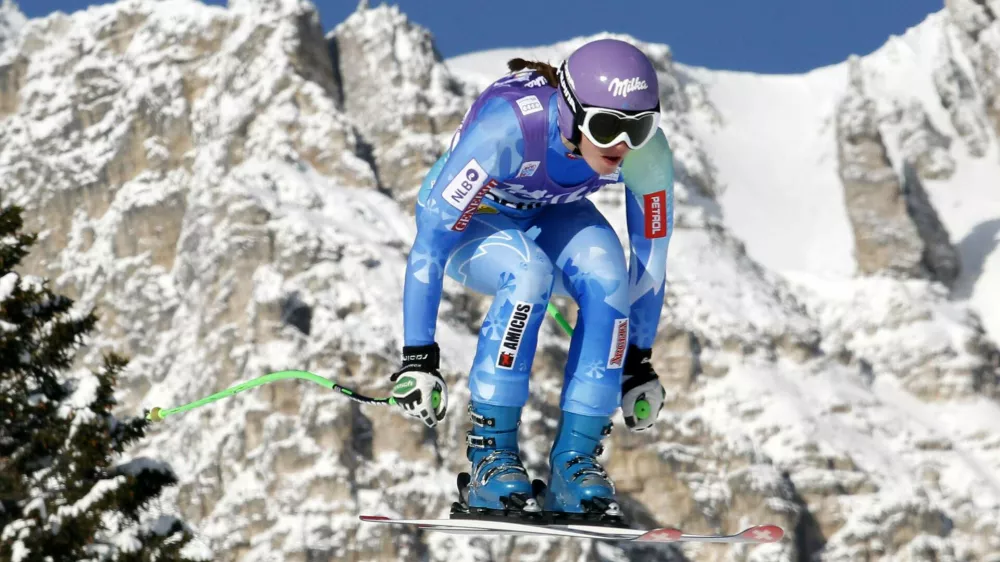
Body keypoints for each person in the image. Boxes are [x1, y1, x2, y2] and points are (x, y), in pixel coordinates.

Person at [389, 38, 674, 520]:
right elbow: (431, 244)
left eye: (640, 127)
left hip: (550, 211)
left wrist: (638, 361)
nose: (623, 144)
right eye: (606, 126)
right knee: (528, 272)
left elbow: (650, 260)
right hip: (474, 219)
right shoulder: (510, 130)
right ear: (571, 113)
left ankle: (574, 467)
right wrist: (418, 357)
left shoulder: (646, 156)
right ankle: (490, 460)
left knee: (610, 279)